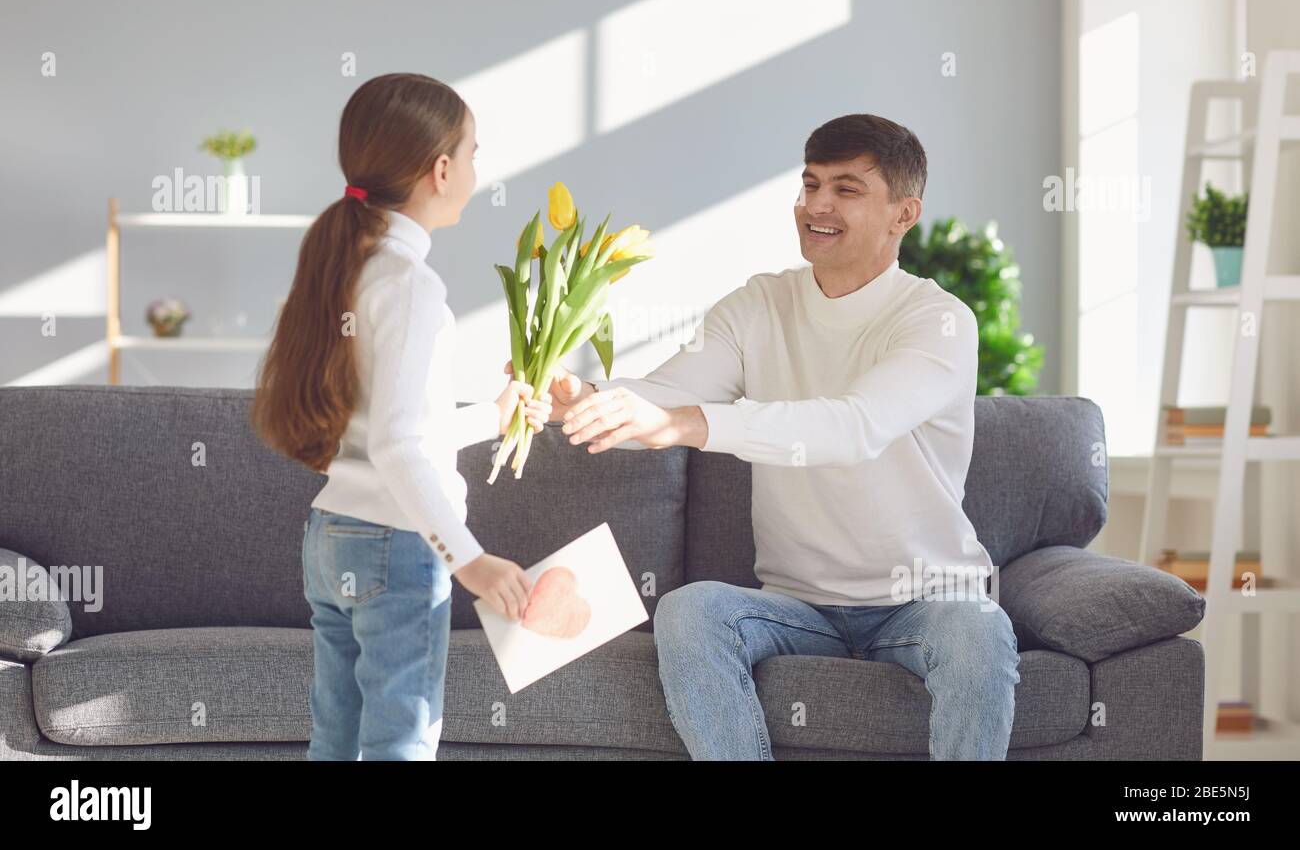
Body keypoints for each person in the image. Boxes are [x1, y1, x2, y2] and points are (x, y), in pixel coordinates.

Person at [548, 113, 1021, 760]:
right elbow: (667, 395)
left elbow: (854, 425)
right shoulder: (759, 305)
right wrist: (583, 403)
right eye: (811, 185)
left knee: (981, 630)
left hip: (926, 601)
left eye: (846, 190)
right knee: (689, 612)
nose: (816, 206)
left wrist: (687, 424)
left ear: (903, 214)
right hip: (798, 607)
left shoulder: (937, 323)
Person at [251, 73, 550, 760]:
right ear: (441, 170)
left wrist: (495, 415)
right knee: (400, 742)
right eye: (473, 152)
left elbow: (390, 428)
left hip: (333, 537)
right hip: (395, 547)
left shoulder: (349, 264)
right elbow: (397, 444)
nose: (475, 169)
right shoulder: (411, 284)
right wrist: (471, 562)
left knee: (338, 739)